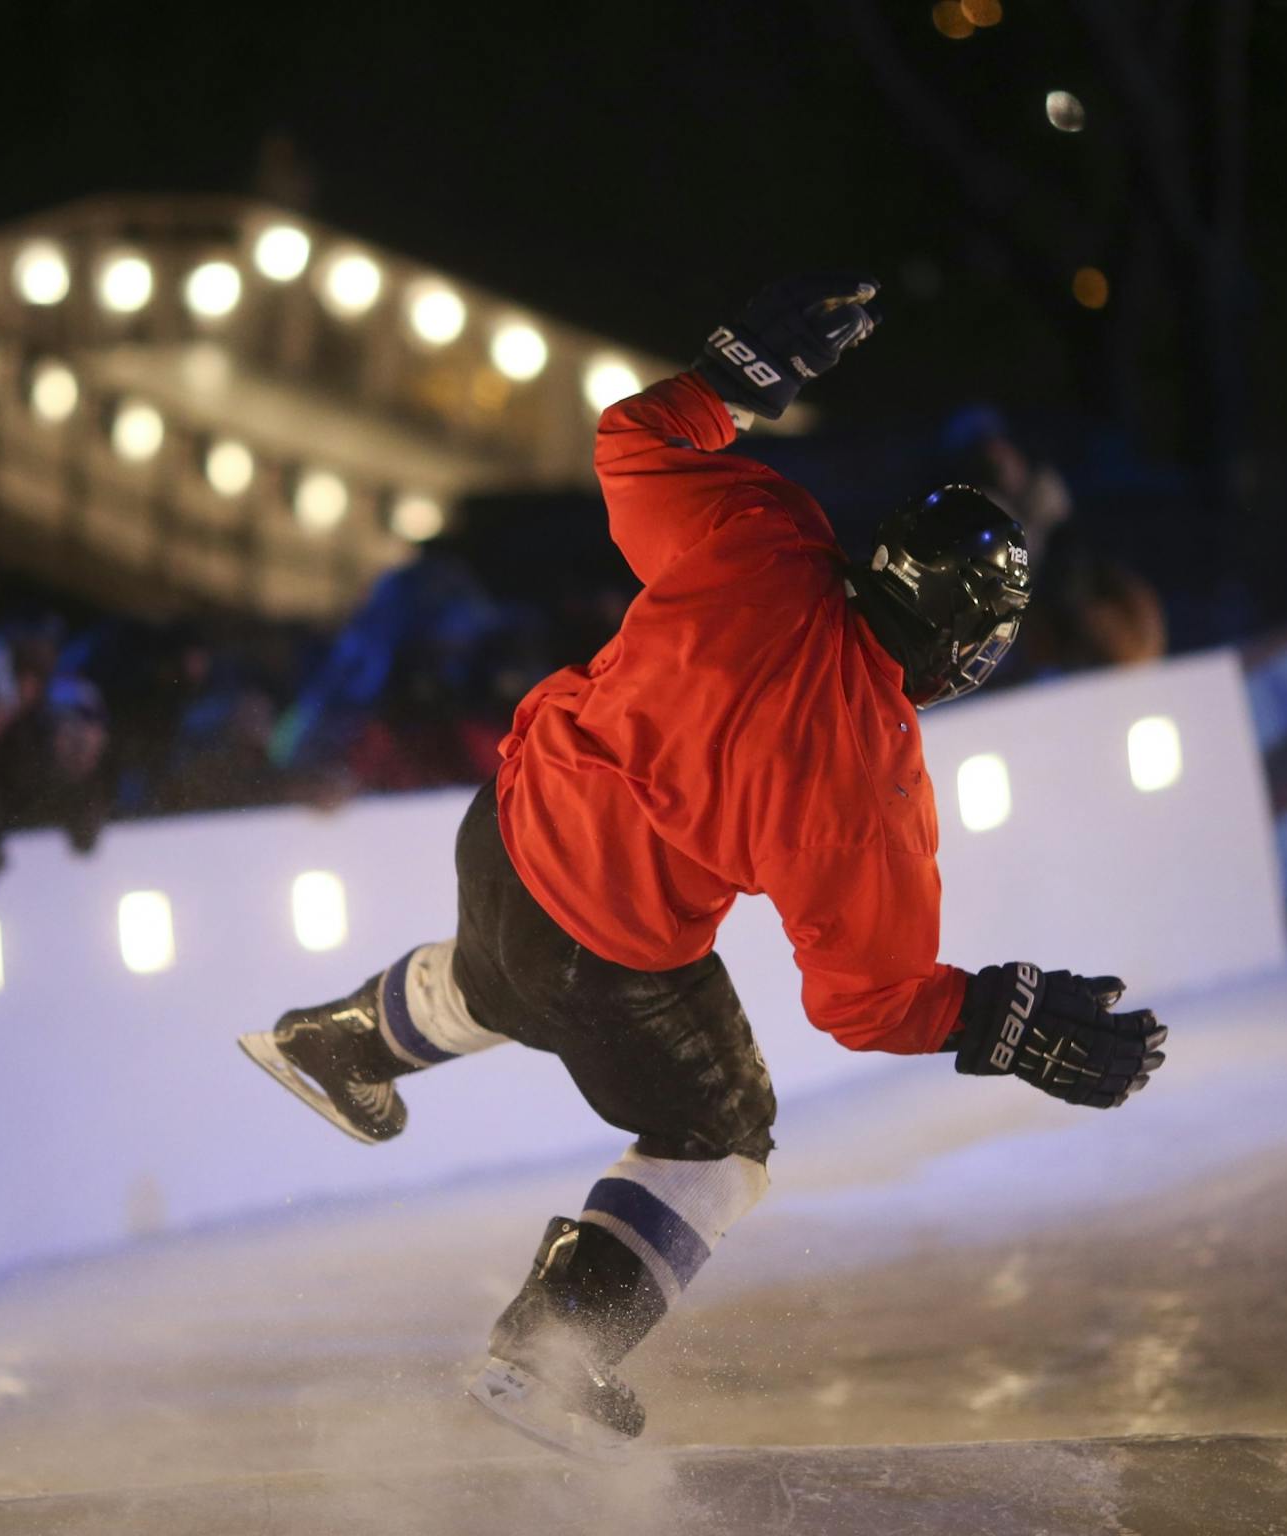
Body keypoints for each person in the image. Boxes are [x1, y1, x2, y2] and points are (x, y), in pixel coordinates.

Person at [238, 277, 1168, 1457]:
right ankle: (549, 1355)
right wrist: (999, 1017)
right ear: (964, 644)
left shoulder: (767, 536)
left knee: (501, 978)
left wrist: (730, 382)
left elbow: (631, 438)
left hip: (513, 825)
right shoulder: (870, 782)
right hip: (608, 943)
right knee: (725, 1130)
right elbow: (866, 1002)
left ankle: (342, 1040)